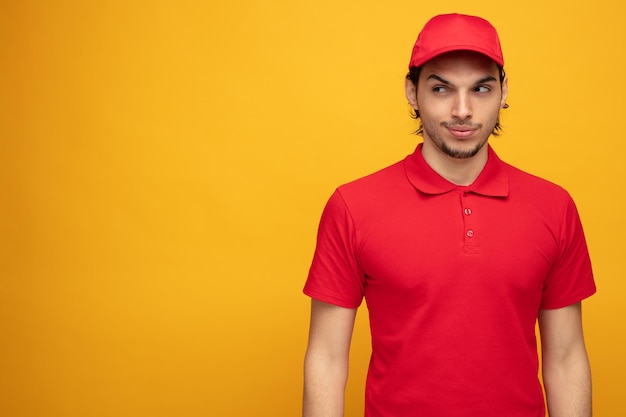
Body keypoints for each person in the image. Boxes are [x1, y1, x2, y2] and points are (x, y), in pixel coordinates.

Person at [302, 13, 596, 417]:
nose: (463, 110)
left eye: (480, 88)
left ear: (504, 90)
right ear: (412, 91)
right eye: (441, 88)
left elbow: (565, 357)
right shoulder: (353, 207)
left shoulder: (553, 206)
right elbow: (327, 359)